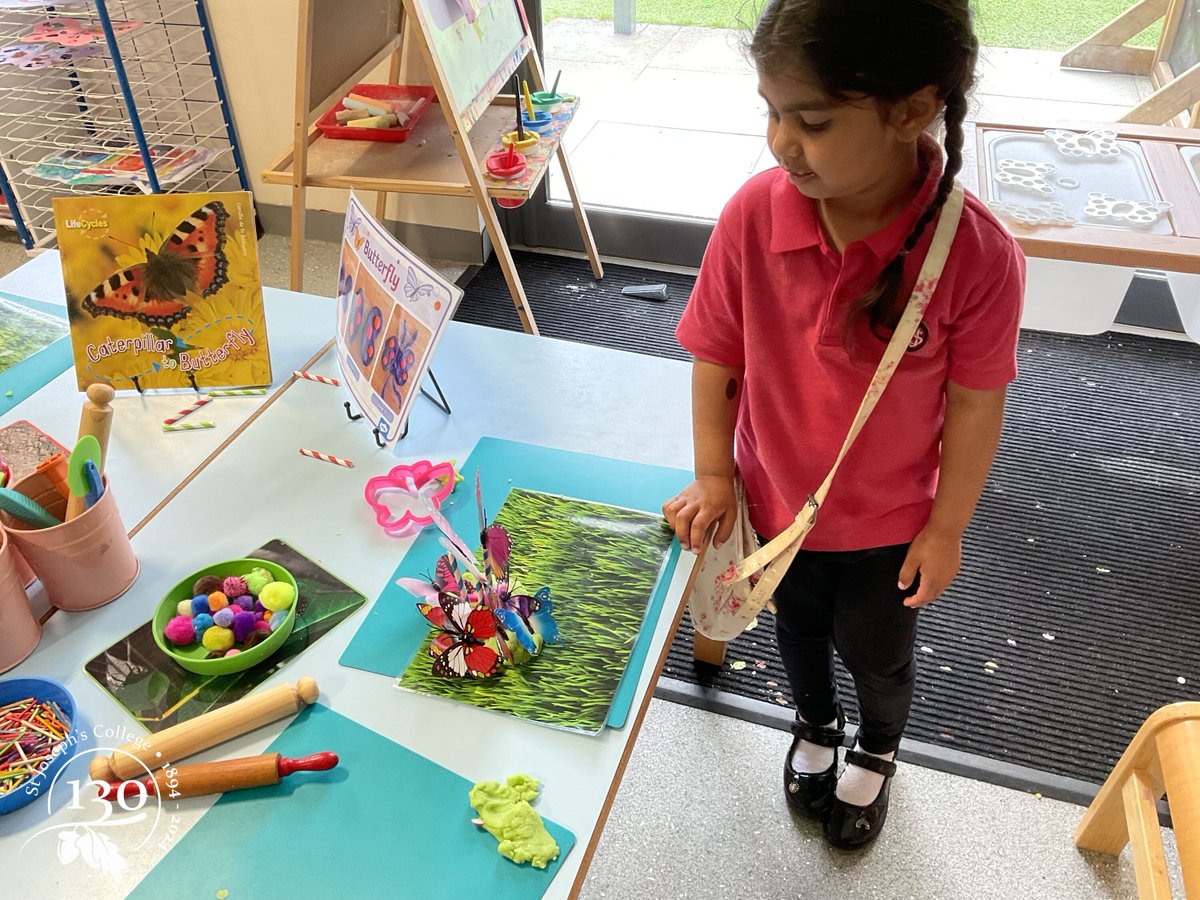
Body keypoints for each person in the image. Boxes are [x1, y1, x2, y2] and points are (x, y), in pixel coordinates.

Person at [662, 0, 1025, 850]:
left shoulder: (976, 254)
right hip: (777, 505)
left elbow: (978, 404)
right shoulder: (753, 215)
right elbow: (717, 355)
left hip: (889, 528)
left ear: (913, 109)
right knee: (797, 631)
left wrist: (948, 527)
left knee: (878, 652)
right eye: (771, 112)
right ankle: (816, 726)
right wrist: (715, 473)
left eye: (812, 121)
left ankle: (879, 747)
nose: (781, 142)